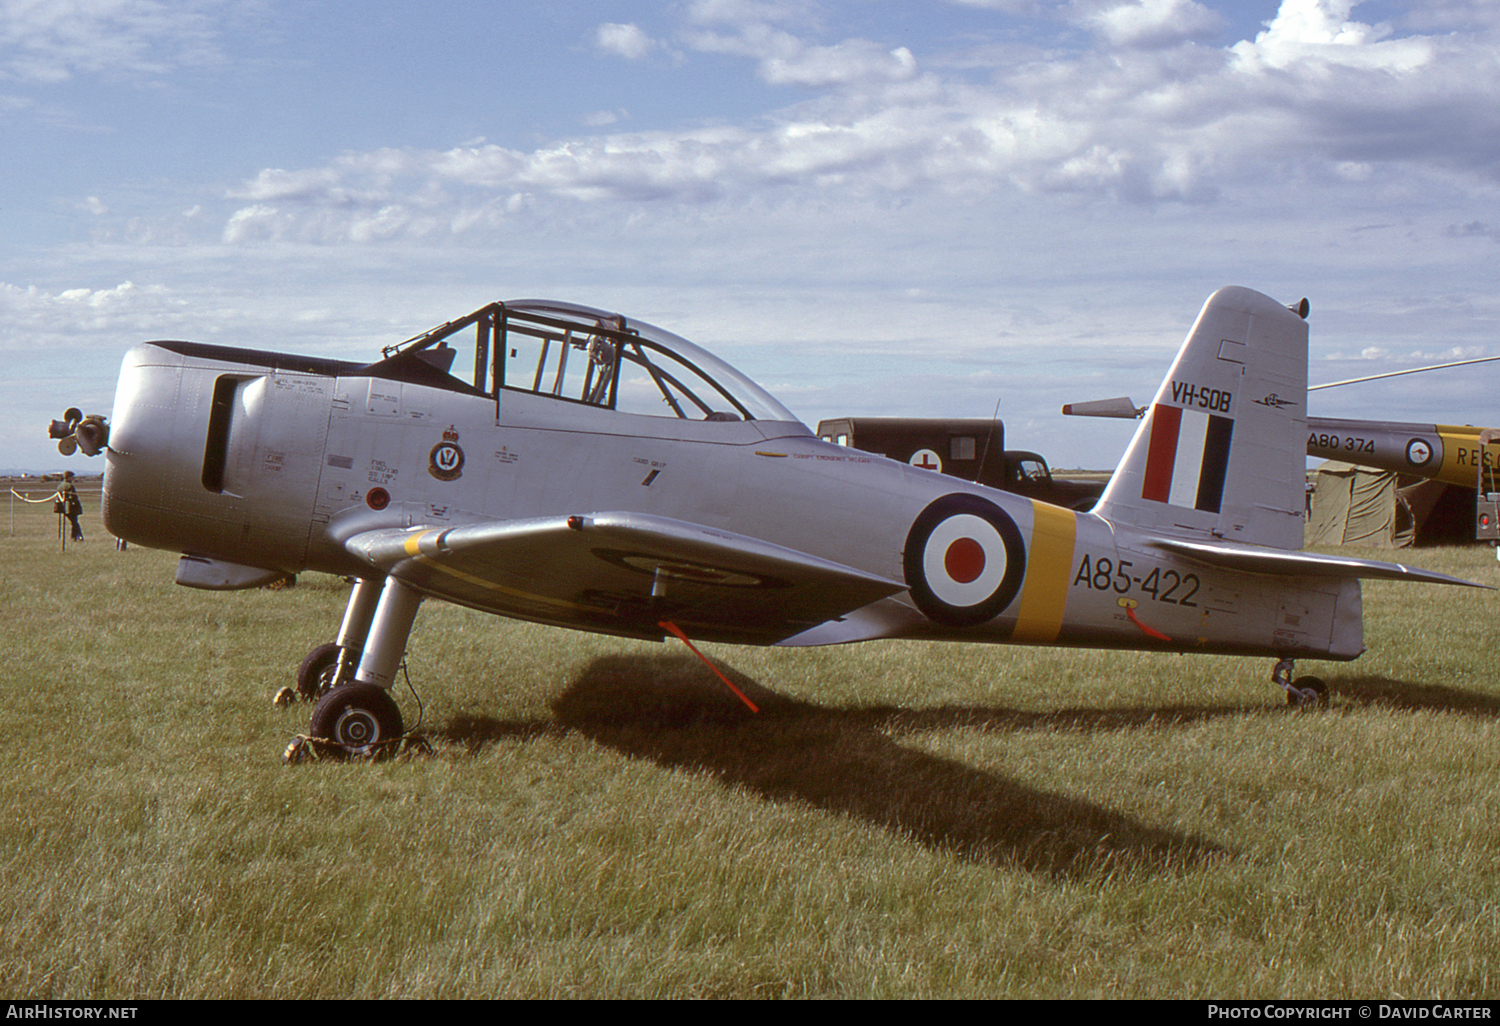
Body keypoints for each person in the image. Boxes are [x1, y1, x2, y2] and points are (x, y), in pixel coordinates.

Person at [59, 471, 84, 542]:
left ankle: (74, 537)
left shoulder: (60, 485)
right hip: (70, 507)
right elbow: (73, 497)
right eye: (72, 477)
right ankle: (79, 536)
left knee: (74, 522)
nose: (73, 478)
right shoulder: (70, 486)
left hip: (63, 507)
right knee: (75, 523)